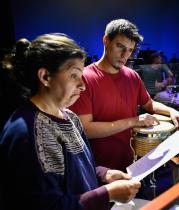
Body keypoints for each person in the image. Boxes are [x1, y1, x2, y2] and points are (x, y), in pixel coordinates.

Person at [0, 33, 141, 210]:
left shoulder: (69, 116)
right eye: (74, 75)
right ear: (45, 77)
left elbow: (78, 168)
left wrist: (105, 174)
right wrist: (108, 193)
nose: (82, 85)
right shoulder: (26, 133)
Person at [69, 19, 179, 172]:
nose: (125, 55)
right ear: (106, 40)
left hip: (131, 164)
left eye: (130, 50)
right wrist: (133, 121)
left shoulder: (132, 76)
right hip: (98, 170)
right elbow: (85, 129)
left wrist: (171, 111)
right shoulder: (85, 78)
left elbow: (149, 104)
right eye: (120, 47)